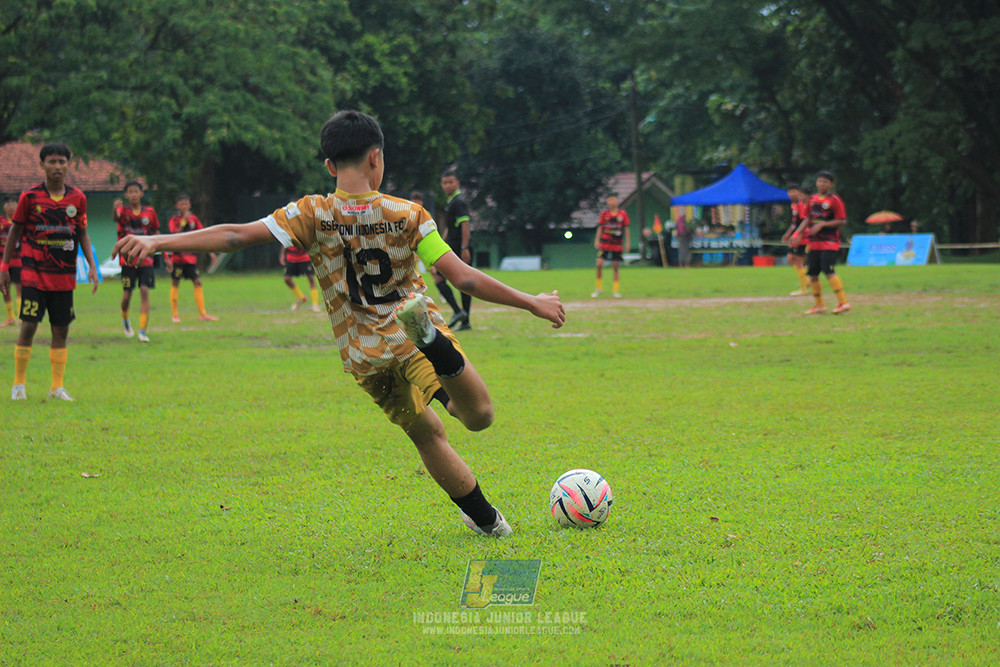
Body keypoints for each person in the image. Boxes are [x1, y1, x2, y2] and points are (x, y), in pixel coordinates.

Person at [115, 110, 565, 537]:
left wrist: (157, 240)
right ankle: (435, 345)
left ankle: (488, 523)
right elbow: (460, 275)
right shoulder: (409, 214)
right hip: (410, 335)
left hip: (364, 356)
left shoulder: (310, 213)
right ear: (377, 157)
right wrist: (532, 302)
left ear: (330, 164)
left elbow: (234, 235)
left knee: (426, 434)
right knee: (479, 415)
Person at [2, 142, 99, 401]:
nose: (57, 166)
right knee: (29, 325)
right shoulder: (30, 197)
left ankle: (56, 387)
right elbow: (15, 231)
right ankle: (18, 384)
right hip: (34, 273)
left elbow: (82, 233)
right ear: (42, 164)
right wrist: (4, 265)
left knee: (61, 329)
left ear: (69, 164)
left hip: (64, 277)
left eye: (62, 161)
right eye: (52, 161)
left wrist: (91, 265)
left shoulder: (78, 198)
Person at [794, 170, 850, 315]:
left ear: (830, 184)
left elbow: (842, 221)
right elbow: (806, 218)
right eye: (820, 181)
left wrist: (822, 225)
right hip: (814, 243)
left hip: (830, 242)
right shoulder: (812, 199)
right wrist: (798, 234)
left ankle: (843, 303)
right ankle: (819, 306)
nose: (822, 184)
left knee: (828, 270)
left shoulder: (835, 200)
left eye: (825, 182)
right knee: (812, 274)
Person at [113, 180, 159, 341]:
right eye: (130, 192)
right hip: (127, 260)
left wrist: (165, 255)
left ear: (141, 193)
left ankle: (142, 331)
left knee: (145, 291)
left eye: (136, 191)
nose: (133, 195)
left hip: (146, 259)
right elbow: (116, 217)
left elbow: (156, 233)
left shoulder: (150, 212)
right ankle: (125, 320)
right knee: (127, 295)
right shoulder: (123, 211)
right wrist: (114, 209)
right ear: (126, 195)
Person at [165, 194, 218, 322]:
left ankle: (202, 314)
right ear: (177, 206)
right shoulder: (174, 220)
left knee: (198, 281)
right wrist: (183, 222)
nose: (184, 206)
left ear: (189, 205)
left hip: (190, 258)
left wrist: (211, 252)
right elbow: (175, 235)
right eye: (181, 204)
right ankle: (175, 314)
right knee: (175, 282)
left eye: (186, 204)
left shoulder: (194, 219)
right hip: (178, 258)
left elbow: (202, 235)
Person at [434, 170, 473, 329]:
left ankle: (461, 315)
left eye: (450, 182)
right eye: (444, 182)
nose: (447, 185)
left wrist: (464, 247)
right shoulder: (451, 202)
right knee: (462, 281)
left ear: (458, 183)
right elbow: (450, 227)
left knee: (440, 278)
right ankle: (463, 318)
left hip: (459, 245)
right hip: (453, 245)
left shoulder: (459, 201)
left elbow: (465, 225)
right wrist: (442, 243)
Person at [592, 194, 630, 297]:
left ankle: (615, 290)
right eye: (610, 200)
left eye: (614, 199)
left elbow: (626, 228)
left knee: (616, 267)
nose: (612, 202)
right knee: (599, 264)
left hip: (617, 244)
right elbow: (600, 227)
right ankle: (598, 288)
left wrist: (627, 243)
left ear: (617, 200)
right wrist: (597, 240)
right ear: (607, 201)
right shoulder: (604, 214)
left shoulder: (622, 214)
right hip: (605, 243)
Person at [781, 184, 811, 296]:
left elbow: (805, 220)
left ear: (799, 192)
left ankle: (804, 287)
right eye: (789, 191)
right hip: (798, 234)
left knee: (797, 261)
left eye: (794, 191)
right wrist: (788, 234)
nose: (791, 194)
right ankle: (806, 280)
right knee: (791, 259)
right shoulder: (794, 205)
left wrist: (798, 234)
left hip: (803, 235)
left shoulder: (801, 204)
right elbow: (795, 223)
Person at [1, 195, 22, 326]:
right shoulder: (1, 222)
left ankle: (21, 317)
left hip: (19, 260)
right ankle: (11, 318)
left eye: (13, 204)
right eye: (8, 204)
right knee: (5, 289)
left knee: (20, 288)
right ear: (4, 207)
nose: (11, 207)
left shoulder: (21, 222)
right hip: (3, 262)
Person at [280, 244, 321, 312]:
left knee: (311, 278)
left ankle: (315, 304)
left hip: (305, 257)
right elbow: (284, 241)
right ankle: (301, 297)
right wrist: (282, 255)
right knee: (287, 279)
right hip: (291, 258)